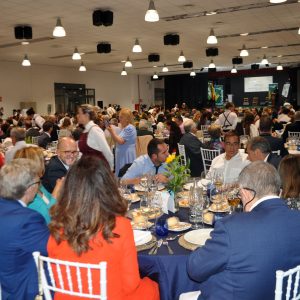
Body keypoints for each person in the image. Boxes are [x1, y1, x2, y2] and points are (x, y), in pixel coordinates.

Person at [48, 156, 159, 300]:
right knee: (153, 286)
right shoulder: (120, 226)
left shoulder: (56, 227)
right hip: (111, 296)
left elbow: (58, 278)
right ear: (107, 187)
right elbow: (131, 284)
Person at [187, 161, 300, 300]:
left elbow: (195, 270)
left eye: (240, 195)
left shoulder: (231, 228)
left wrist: (199, 250)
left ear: (246, 193)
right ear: (280, 191)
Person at [0, 158, 49, 299]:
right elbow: (52, 248)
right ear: (30, 188)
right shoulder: (27, 219)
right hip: (25, 291)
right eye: (38, 183)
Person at [14, 146, 60, 224]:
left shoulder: (38, 185)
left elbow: (49, 202)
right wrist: (57, 190)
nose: (45, 164)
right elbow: (47, 220)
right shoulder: (26, 193)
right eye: (43, 162)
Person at [77, 104, 113, 169]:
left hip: (98, 170)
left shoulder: (95, 130)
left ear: (86, 115)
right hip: (89, 171)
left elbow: (107, 153)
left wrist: (110, 170)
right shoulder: (86, 130)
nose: (77, 116)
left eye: (79, 113)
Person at [107, 108, 137, 176]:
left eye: (121, 117)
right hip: (122, 153)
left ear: (126, 118)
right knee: (122, 173)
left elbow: (121, 141)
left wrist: (112, 132)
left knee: (126, 173)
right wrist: (112, 132)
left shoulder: (130, 128)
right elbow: (116, 141)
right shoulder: (125, 128)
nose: (119, 119)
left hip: (126, 154)